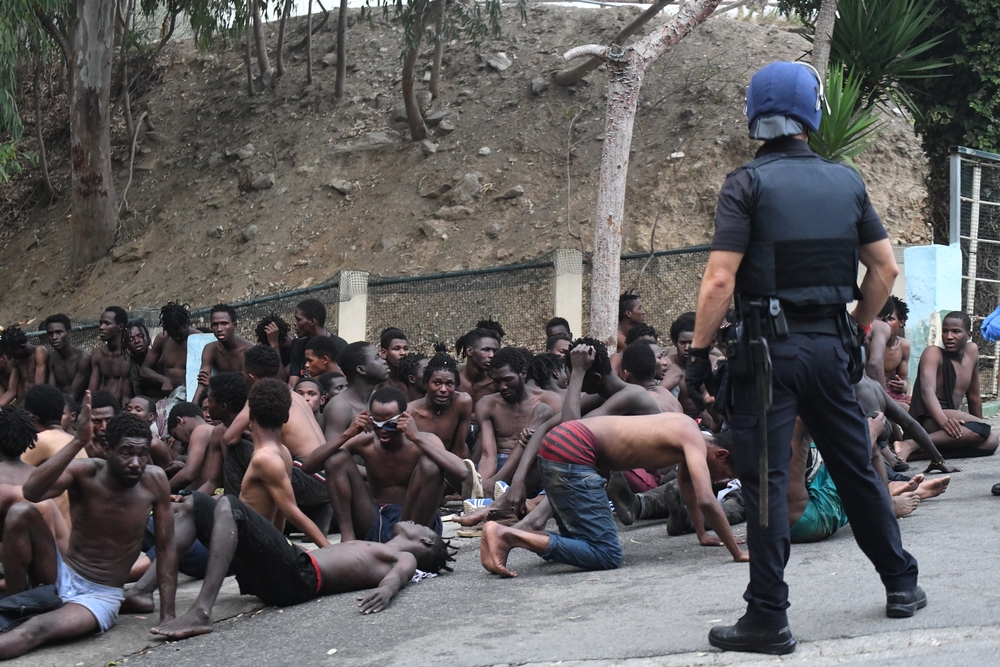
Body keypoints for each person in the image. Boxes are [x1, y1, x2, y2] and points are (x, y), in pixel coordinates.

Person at [684, 61, 924, 656]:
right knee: (855, 467)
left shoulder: (746, 184)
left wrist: (696, 356)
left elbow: (719, 280)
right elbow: (886, 268)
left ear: (755, 117)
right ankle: (901, 583)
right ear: (811, 116)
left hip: (768, 354)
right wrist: (858, 324)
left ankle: (768, 616)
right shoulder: (846, 182)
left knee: (766, 485)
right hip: (829, 347)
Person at [0, 398, 177, 659]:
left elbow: (166, 548)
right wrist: (78, 441)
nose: (136, 463)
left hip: (99, 596)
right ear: (107, 449)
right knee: (21, 512)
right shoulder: (86, 472)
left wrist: (168, 616)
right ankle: (15, 607)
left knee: (36, 629)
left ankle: (24, 617)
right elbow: (31, 492)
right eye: (127, 453)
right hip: (62, 574)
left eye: (142, 454)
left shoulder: (155, 481)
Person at [479, 412, 748, 577]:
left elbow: (687, 486)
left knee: (579, 546)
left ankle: (502, 541)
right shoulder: (693, 440)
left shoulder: (685, 428)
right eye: (723, 474)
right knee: (606, 554)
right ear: (720, 454)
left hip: (560, 444)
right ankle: (505, 535)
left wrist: (702, 534)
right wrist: (736, 552)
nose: (719, 480)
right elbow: (705, 498)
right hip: (574, 451)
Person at [148, 509, 454, 640]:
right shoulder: (380, 546)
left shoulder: (403, 557)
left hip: (298, 575)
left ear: (425, 541)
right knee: (198, 505)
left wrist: (387, 592)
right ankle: (141, 591)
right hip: (289, 570)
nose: (414, 521)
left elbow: (400, 575)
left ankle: (201, 610)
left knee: (231, 507)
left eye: (422, 527)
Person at [303, 386, 468, 542]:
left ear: (405, 417)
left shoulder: (424, 440)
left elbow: (462, 472)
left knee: (431, 464)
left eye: (390, 424)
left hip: (414, 520)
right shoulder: (364, 441)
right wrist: (347, 434)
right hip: (375, 517)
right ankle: (348, 540)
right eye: (377, 423)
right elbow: (309, 467)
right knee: (335, 458)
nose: (383, 430)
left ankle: (412, 541)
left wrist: (416, 437)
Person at [221, 346, 332, 532]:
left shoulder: (262, 395)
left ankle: (236, 515)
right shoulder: (292, 394)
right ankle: (317, 512)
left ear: (250, 377)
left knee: (237, 450)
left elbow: (229, 438)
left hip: (306, 477)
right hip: (326, 479)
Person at [907, 311, 998, 459]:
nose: (949, 337)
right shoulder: (933, 353)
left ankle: (917, 453)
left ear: (968, 335)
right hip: (929, 419)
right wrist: (944, 422)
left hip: (951, 419)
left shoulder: (972, 351)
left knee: (990, 442)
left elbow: (974, 396)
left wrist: (978, 431)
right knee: (984, 431)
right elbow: (927, 392)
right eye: (945, 331)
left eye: (956, 332)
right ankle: (913, 443)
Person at [476, 348, 562, 493]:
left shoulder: (550, 400)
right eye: (497, 381)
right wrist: (483, 485)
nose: (502, 387)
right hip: (501, 464)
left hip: (535, 467)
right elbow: (488, 455)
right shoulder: (487, 404)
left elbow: (558, 445)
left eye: (508, 379)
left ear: (522, 373)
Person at [407, 351, 473, 459]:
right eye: (437, 383)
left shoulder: (462, 402)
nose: (443, 389)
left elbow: (459, 449)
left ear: (456, 386)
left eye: (449, 384)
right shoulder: (411, 412)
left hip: (451, 462)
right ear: (426, 383)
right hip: (421, 466)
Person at [323, 341, 390, 439]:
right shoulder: (339, 407)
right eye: (376, 358)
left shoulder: (378, 398)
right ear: (361, 369)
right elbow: (332, 452)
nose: (383, 360)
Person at [193, 304, 254, 406]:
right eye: (215, 324)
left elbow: (250, 386)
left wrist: (216, 383)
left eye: (224, 324)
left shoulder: (249, 351)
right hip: (222, 402)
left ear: (234, 325)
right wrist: (191, 412)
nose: (219, 329)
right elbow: (202, 383)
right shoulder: (211, 349)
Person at [141, 303, 200, 407]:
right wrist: (164, 380)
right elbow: (144, 369)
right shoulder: (163, 338)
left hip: (194, 394)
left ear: (187, 322)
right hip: (169, 396)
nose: (177, 337)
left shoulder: (199, 339)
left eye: (180, 333)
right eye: (173, 334)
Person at [288, 299, 347, 389]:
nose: (294, 323)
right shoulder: (299, 346)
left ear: (312, 322)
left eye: (298, 319)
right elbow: (292, 385)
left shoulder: (340, 347)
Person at [165, 402, 218, 493]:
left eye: (176, 436)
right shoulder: (210, 430)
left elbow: (188, 475)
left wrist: (160, 493)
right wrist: (183, 467)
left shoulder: (200, 431)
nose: (181, 444)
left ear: (180, 421)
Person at [620, 340, 683, 414]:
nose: (665, 362)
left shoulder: (635, 399)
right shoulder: (663, 392)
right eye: (659, 357)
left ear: (625, 374)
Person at [44, 314, 91, 402]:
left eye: (59, 332)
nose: (54, 337)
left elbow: (73, 394)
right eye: (50, 334)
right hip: (61, 403)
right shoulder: (52, 358)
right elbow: (52, 391)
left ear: (69, 334)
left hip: (81, 404)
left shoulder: (83, 358)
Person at [89, 307, 131, 403]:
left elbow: (126, 395)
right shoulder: (98, 354)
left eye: (107, 323)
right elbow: (92, 390)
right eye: (101, 323)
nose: (101, 327)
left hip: (122, 405)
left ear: (120, 327)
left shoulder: (128, 354)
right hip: (101, 403)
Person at [0, 327, 48, 407]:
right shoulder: (16, 360)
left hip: (40, 400)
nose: (11, 356)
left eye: (13, 353)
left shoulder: (38, 352)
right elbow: (11, 391)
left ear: (22, 347)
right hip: (24, 402)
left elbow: (39, 386)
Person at [878, 296, 911, 406]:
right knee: (904, 408)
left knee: (920, 409)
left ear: (901, 322)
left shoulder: (903, 346)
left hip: (891, 395)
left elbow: (903, 380)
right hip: (872, 394)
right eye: (882, 319)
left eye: (890, 319)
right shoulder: (869, 342)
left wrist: (903, 385)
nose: (884, 324)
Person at [456, 328, 500, 406]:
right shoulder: (453, 378)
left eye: (495, 351)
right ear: (469, 351)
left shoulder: (497, 382)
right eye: (486, 350)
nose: (492, 355)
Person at [379, 328, 410, 393]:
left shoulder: (412, 378)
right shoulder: (378, 381)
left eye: (405, 349)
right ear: (384, 353)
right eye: (396, 349)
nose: (403, 353)